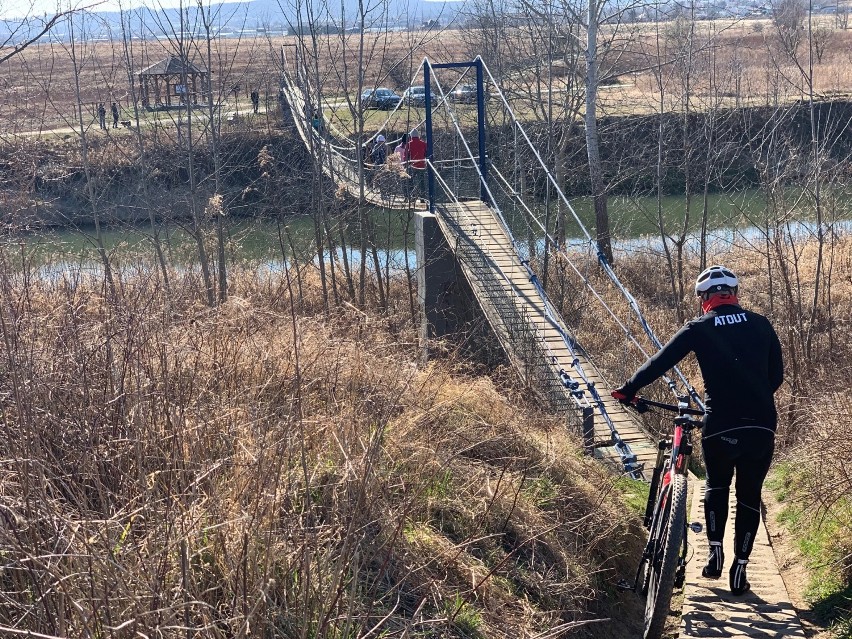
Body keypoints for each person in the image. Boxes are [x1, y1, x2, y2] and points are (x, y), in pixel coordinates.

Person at [611, 265, 783, 597]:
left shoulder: (699, 327)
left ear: (704, 298)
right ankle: (741, 570)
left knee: (717, 486)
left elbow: (659, 363)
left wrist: (628, 389)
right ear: (734, 294)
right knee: (749, 496)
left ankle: (715, 552)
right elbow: (775, 377)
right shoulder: (762, 324)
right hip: (761, 425)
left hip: (720, 425)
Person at [406, 128, 428, 201]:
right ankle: (422, 198)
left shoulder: (408, 144)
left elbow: (407, 155)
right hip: (421, 165)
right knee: (421, 182)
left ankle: (412, 197)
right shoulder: (424, 143)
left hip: (412, 165)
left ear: (411, 136)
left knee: (410, 181)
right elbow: (426, 154)